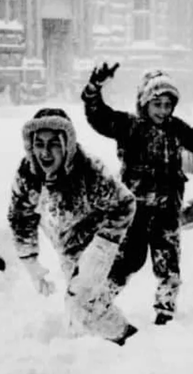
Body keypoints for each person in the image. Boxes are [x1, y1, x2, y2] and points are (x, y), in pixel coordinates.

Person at [81, 64, 193, 325]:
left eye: (167, 105)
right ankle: (100, 301)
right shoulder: (130, 126)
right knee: (128, 260)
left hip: (167, 210)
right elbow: (99, 117)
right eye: (156, 104)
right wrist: (94, 89)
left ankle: (165, 311)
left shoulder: (176, 128)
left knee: (167, 260)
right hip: (136, 210)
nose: (162, 110)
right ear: (144, 103)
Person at [7, 107, 140, 345]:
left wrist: (101, 251)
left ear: (67, 144)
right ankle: (123, 343)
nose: (45, 152)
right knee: (83, 312)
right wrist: (30, 261)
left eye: (54, 144)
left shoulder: (89, 171)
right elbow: (21, 217)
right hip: (69, 249)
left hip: (109, 246)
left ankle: (126, 343)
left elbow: (124, 203)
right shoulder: (29, 174)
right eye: (39, 143)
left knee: (81, 304)